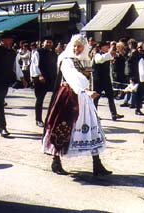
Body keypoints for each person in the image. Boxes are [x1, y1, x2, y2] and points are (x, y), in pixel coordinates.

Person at [42, 34, 112, 176]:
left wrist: (88, 91)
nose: (76, 49)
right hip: (69, 96)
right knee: (63, 127)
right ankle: (55, 160)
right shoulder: (66, 59)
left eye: (79, 46)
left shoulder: (86, 60)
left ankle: (97, 163)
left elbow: (89, 76)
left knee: (92, 127)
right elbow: (72, 76)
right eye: (74, 46)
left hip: (85, 98)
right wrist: (85, 90)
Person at [93, 41, 124, 121]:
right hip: (98, 80)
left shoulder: (106, 55)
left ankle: (114, 114)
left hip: (106, 79)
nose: (108, 48)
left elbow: (115, 57)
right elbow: (100, 60)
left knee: (110, 97)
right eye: (106, 46)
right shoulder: (97, 54)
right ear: (101, 47)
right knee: (96, 98)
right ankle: (93, 115)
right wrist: (109, 53)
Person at [30, 37, 57, 127]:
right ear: (43, 43)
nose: (49, 44)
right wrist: (39, 75)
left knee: (54, 100)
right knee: (40, 100)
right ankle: (38, 119)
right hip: (41, 79)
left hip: (51, 79)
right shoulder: (38, 52)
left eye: (50, 42)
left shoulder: (54, 54)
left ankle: (51, 119)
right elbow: (34, 65)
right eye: (47, 42)